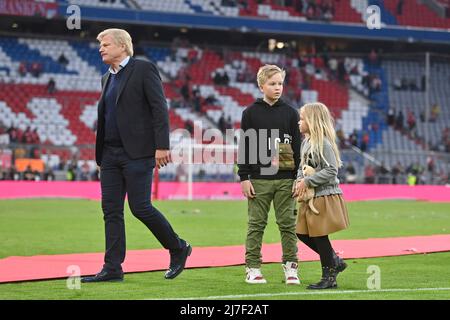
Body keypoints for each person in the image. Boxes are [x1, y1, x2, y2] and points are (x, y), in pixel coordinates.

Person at [81, 28, 191, 283]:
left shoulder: (143, 69)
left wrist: (162, 146)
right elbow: (107, 118)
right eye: (101, 45)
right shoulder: (105, 78)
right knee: (110, 210)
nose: (101, 49)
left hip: (137, 153)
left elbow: (159, 108)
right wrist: (100, 159)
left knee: (140, 207)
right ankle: (112, 268)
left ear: (122, 46)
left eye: (106, 44)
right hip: (109, 155)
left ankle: (178, 247)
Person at [238, 64, 301, 285]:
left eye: (280, 83)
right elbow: (245, 148)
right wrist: (244, 177)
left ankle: (291, 268)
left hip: (286, 179)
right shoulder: (250, 113)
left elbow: (298, 148)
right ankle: (252, 268)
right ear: (261, 85)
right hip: (258, 180)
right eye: (272, 84)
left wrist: (298, 177)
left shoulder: (291, 113)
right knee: (256, 224)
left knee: (288, 225)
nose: (277, 88)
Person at [293, 102, 350, 289]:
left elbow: (331, 170)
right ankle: (334, 260)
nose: (299, 122)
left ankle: (329, 277)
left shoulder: (324, 143)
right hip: (310, 197)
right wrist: (299, 181)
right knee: (301, 233)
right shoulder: (305, 143)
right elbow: (302, 167)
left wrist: (308, 182)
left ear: (312, 120)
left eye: (302, 119)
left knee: (319, 236)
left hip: (324, 195)